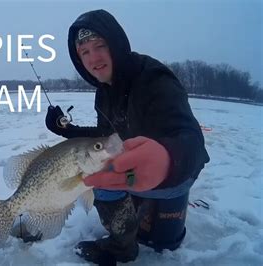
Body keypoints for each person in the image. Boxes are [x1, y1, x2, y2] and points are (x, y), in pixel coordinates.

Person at [45, 9, 210, 265]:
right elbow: (107, 138)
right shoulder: (104, 91)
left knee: (101, 180)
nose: (94, 58)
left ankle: (121, 248)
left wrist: (167, 159)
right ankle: (128, 215)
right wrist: (68, 130)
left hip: (175, 175)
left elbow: (191, 140)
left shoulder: (154, 79)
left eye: (100, 45)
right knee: (99, 165)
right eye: (84, 52)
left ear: (117, 44)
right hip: (135, 172)